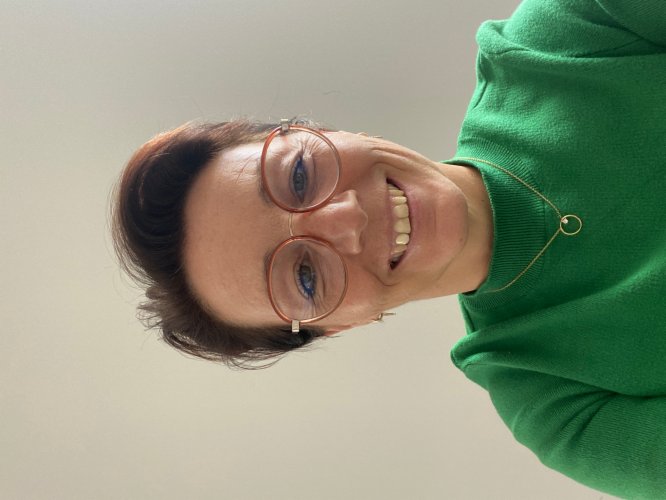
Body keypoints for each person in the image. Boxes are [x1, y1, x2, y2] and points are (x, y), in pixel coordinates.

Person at [112, 0, 666, 496]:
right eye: (305, 276)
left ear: (319, 128)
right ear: (338, 326)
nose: (347, 219)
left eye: (299, 176)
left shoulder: (556, 40)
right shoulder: (560, 408)